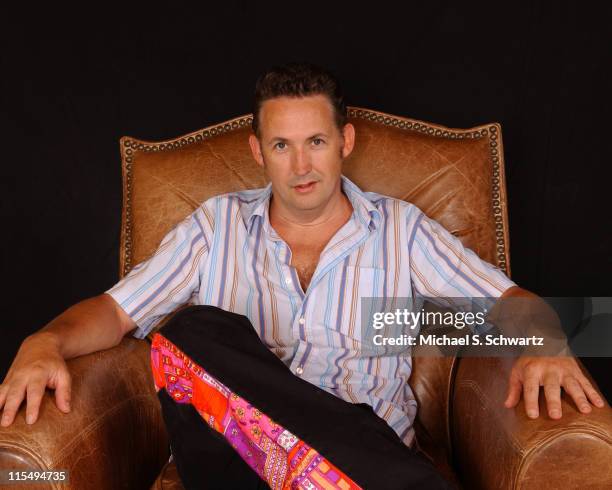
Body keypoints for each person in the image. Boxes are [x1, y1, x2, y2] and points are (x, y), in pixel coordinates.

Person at [0, 63, 605, 489]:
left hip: (362, 458)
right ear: (258, 151)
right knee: (190, 333)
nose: (302, 165)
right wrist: (43, 340)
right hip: (240, 465)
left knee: (211, 350)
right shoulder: (217, 225)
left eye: (315, 140)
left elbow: (506, 302)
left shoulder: (400, 229)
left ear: (345, 140)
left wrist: (547, 340)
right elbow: (113, 313)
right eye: (282, 145)